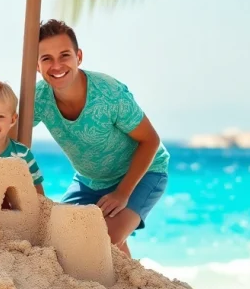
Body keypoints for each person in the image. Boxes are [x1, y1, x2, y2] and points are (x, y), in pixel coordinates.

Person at [33, 19, 169, 257]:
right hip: (90, 180)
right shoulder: (39, 98)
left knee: (104, 238)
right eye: (46, 58)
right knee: (55, 234)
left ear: (79, 57)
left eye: (64, 55)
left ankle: (130, 281)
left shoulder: (109, 93)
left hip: (143, 172)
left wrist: (122, 193)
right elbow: (8, 129)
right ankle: (130, 279)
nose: (56, 65)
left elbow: (151, 140)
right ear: (36, 65)